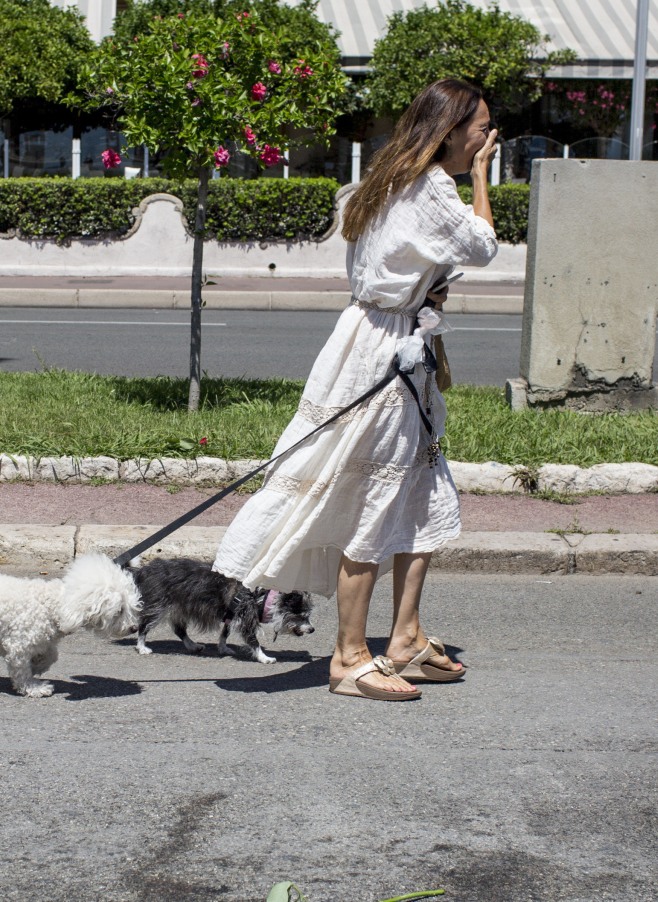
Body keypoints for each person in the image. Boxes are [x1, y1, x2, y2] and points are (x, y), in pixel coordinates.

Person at [212, 79, 499, 701]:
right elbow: (483, 245)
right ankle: (347, 656)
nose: (485, 137)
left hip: (383, 339)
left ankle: (405, 637)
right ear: (450, 131)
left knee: (420, 486)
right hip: (385, 351)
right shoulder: (431, 186)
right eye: (479, 128)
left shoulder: (388, 178)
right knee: (375, 493)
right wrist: (480, 177)